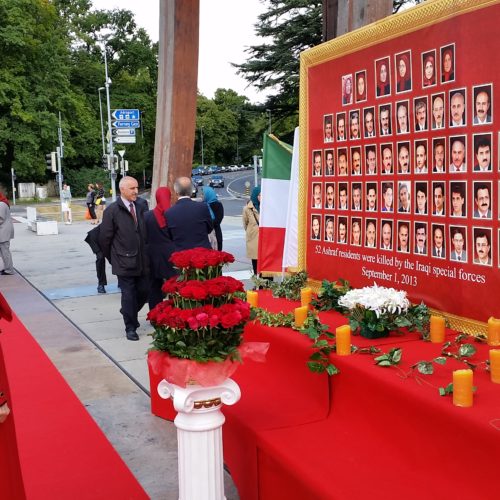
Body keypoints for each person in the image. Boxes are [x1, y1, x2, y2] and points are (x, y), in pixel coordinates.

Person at [99, 176, 149, 341]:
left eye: (137, 188)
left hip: (142, 259)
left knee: (144, 291)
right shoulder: (112, 211)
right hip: (124, 261)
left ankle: (128, 311)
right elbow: (105, 240)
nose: (136, 191)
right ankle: (130, 327)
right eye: (132, 188)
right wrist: (114, 258)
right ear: (122, 190)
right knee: (128, 295)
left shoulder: (141, 205)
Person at [144, 187, 177, 309]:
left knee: (154, 286)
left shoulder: (146, 216)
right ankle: (175, 311)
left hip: (152, 255)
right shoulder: (173, 215)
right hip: (171, 255)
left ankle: (155, 313)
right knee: (174, 286)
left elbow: (144, 236)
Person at [166, 176, 213, 251]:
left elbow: (170, 235)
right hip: (202, 253)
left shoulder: (169, 213)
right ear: (191, 190)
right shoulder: (202, 207)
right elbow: (209, 228)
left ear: (176, 191)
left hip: (182, 255)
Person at [84, 224, 107, 294]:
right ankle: (101, 284)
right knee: (100, 258)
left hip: (107, 238)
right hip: (95, 238)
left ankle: (122, 281)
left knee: (117, 259)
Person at [243, 186, 261, 274]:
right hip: (254, 241)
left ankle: (267, 285)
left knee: (266, 267)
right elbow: (245, 224)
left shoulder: (267, 207)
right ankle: (258, 286)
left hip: (265, 241)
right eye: (259, 195)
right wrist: (253, 232)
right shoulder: (247, 209)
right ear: (255, 196)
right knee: (256, 265)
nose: (261, 197)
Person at [0, 192, 15, 275]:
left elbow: (1, 219)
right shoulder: (3, 202)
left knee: (5, 251)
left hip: (4, 231)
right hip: (3, 231)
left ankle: (9, 270)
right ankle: (5, 267)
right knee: (3, 251)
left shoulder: (1, 204)